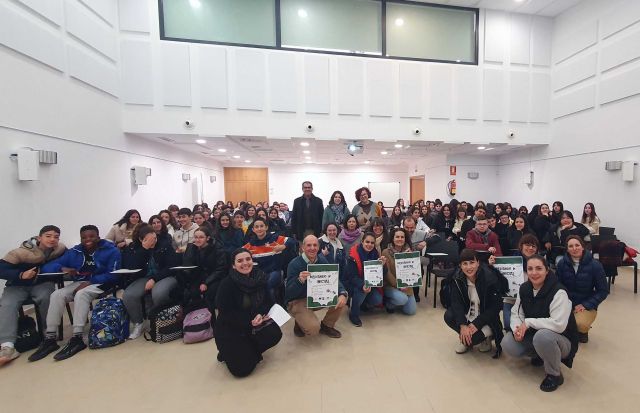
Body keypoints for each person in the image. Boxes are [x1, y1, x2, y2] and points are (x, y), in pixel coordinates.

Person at [30, 225, 121, 362]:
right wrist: (61, 267)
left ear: (98, 237)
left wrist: (91, 281)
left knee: (81, 294)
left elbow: (113, 275)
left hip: (102, 283)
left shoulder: (111, 250)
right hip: (80, 282)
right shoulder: (75, 251)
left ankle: (77, 337)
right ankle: (50, 338)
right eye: (84, 237)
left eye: (91, 236)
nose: (87, 240)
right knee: (57, 295)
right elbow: (46, 267)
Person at [502, 255, 579, 392]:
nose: (534, 273)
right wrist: (517, 329)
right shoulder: (524, 288)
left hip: (563, 341)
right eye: (530, 269)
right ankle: (541, 355)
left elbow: (559, 325)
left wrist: (529, 322)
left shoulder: (559, 292)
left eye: (539, 268)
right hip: (538, 334)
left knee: (543, 337)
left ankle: (554, 374)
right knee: (508, 342)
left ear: (547, 271)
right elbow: (517, 312)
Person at [0, 226, 66, 365]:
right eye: (48, 236)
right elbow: (2, 268)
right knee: (7, 304)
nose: (52, 239)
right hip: (17, 285)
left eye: (56, 236)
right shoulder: (21, 252)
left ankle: (48, 335)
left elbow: (72, 258)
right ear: (39, 238)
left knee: (48, 296)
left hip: (42, 284)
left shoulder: (59, 250)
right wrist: (21, 274)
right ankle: (7, 346)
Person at [214, 248, 282, 377]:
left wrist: (259, 314)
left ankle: (247, 350)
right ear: (233, 265)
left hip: (253, 323)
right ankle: (230, 351)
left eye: (248, 259)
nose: (245, 263)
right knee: (242, 371)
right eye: (240, 261)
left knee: (274, 334)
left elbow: (268, 302)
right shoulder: (226, 284)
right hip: (231, 328)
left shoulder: (260, 278)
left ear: (252, 261)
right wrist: (249, 322)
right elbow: (225, 314)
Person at [121, 225, 178, 340]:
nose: (153, 241)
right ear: (141, 240)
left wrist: (155, 279)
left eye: (155, 238)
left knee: (158, 293)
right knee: (128, 295)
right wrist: (144, 250)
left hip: (164, 276)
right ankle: (138, 323)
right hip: (145, 277)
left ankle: (161, 319)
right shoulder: (134, 248)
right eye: (149, 239)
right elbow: (131, 267)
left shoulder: (165, 245)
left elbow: (171, 266)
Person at [285, 235, 348, 338]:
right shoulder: (294, 264)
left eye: (315, 245)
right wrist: (299, 280)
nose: (312, 248)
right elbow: (289, 293)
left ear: (318, 247)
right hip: (298, 300)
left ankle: (327, 325)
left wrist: (342, 293)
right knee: (313, 329)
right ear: (303, 247)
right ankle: (299, 321)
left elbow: (333, 279)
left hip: (316, 296)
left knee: (342, 297)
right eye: (309, 245)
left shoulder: (322, 260)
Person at [444, 249, 503, 355]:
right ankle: (465, 337)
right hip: (469, 316)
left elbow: (495, 307)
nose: (469, 267)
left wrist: (477, 324)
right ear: (460, 266)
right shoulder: (457, 279)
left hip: (486, 320)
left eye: (472, 262)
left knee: (474, 339)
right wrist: (463, 325)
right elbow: (456, 303)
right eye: (465, 264)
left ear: (478, 263)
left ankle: (485, 338)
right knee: (448, 315)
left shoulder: (489, 278)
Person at [555, 235, 608, 343]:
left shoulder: (595, 265)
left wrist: (586, 305)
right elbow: (557, 285)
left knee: (580, 324)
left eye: (577, 245)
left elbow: (603, 291)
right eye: (570, 246)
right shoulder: (561, 264)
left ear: (583, 247)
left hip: (586, 304)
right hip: (566, 302)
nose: (574, 248)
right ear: (567, 249)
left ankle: (583, 331)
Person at [242, 218, 295, 302]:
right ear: (253, 229)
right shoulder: (250, 245)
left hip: (275, 271)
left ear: (266, 227)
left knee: (268, 284)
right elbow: (238, 253)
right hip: (259, 274)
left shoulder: (275, 238)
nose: (259, 229)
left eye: (261, 226)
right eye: (256, 227)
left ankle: (274, 309)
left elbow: (292, 241)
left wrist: (283, 246)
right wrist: (246, 254)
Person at [343, 233, 387, 327]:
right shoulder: (353, 255)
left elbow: (382, 275)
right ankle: (353, 313)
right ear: (362, 241)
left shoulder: (375, 254)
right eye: (367, 242)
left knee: (377, 299)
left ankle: (363, 304)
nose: (369, 244)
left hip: (370, 284)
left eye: (372, 243)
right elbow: (352, 277)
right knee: (361, 292)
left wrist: (382, 266)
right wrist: (362, 285)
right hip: (354, 284)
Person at [182, 226, 228, 315]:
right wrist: (191, 249)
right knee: (190, 292)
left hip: (215, 277)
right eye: (196, 237)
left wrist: (206, 282)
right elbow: (187, 266)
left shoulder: (217, 248)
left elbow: (221, 269)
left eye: (201, 237)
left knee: (209, 293)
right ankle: (196, 319)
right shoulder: (193, 248)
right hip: (200, 276)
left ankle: (212, 318)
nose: (198, 240)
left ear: (208, 238)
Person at [502, 234, 540, 331]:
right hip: (511, 299)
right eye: (527, 245)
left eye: (533, 246)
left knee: (529, 326)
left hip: (532, 300)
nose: (530, 248)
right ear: (521, 246)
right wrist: (493, 265)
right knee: (507, 324)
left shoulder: (541, 263)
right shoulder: (509, 262)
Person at [381, 227, 417, 315]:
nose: (400, 239)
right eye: (397, 237)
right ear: (393, 238)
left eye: (402, 237)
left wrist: (411, 258)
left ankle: (399, 300)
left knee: (410, 311)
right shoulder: (385, 252)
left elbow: (414, 272)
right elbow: (387, 274)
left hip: (406, 285)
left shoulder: (409, 251)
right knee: (402, 299)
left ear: (405, 239)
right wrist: (399, 285)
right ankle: (389, 303)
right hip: (390, 285)